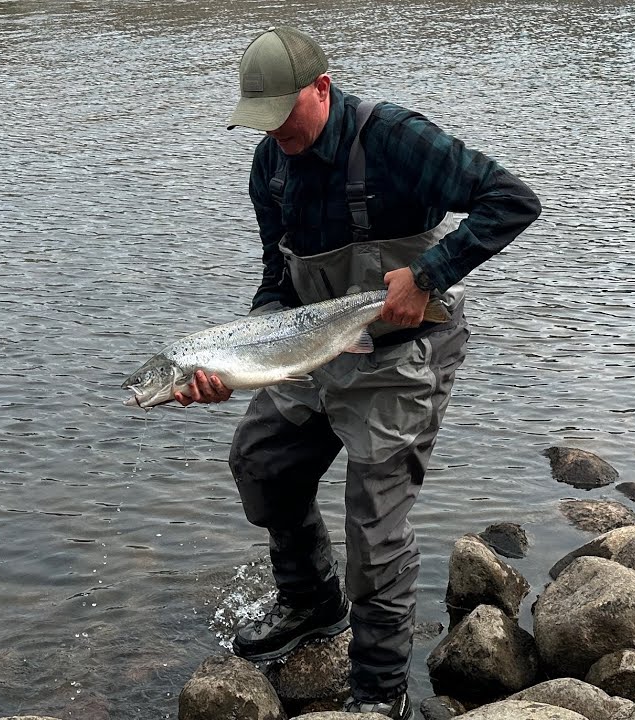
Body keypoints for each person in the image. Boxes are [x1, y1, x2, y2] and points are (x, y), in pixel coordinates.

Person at [175, 26, 541, 719]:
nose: (276, 129)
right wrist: (238, 362)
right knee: (260, 463)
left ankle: (379, 693)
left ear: (323, 86)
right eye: (264, 118)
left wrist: (429, 275)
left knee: (374, 532)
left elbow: (512, 200)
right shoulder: (270, 165)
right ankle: (312, 604)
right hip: (311, 347)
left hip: (404, 356)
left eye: (287, 111)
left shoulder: (396, 138)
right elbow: (275, 281)